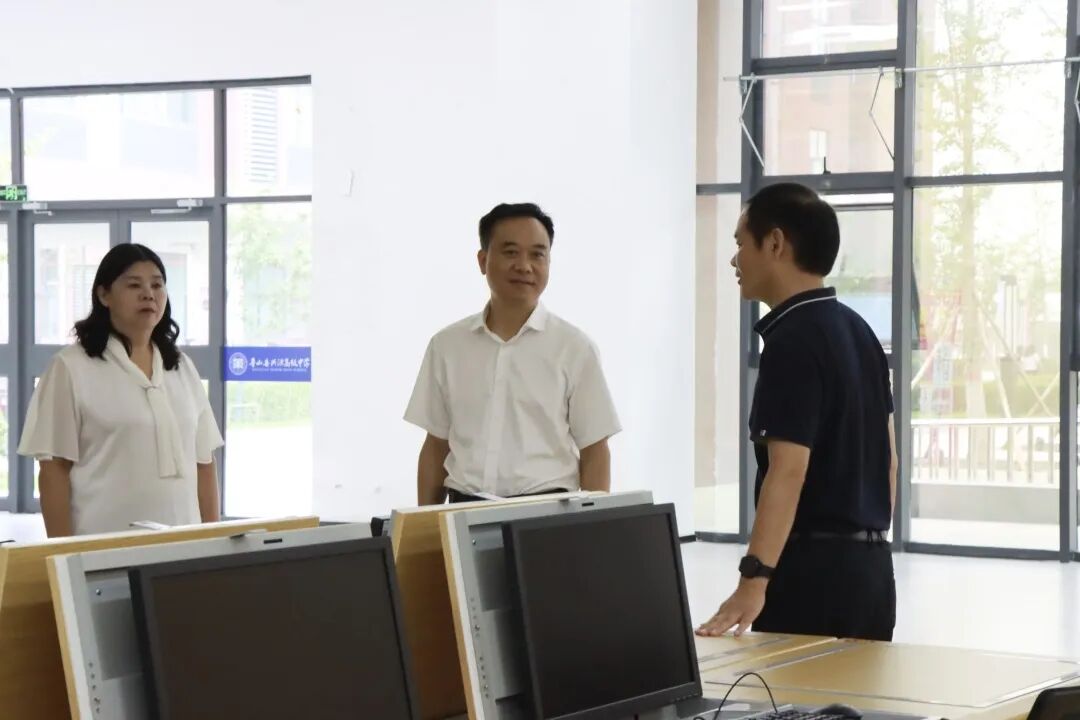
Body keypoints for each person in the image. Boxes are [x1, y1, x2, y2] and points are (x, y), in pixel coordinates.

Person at [696, 183, 897, 641]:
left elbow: (787, 470)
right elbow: (890, 460)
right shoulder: (860, 332)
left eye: (740, 244)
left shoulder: (792, 339)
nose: (734, 261)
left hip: (812, 578)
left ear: (775, 243)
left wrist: (753, 580)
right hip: (871, 575)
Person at [405, 202, 621, 504]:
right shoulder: (447, 346)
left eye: (537, 254)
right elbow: (435, 446)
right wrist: (425, 524)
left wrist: (593, 523)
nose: (524, 266)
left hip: (547, 512)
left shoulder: (574, 348)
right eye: (510, 252)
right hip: (464, 508)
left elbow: (595, 450)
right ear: (483, 260)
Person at [18, 243, 224, 537]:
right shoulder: (71, 367)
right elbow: (54, 470)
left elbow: (204, 463)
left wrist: (213, 542)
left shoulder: (181, 367)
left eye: (157, 285)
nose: (148, 294)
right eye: (134, 285)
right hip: (102, 546)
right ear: (104, 295)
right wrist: (64, 554)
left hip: (182, 548)